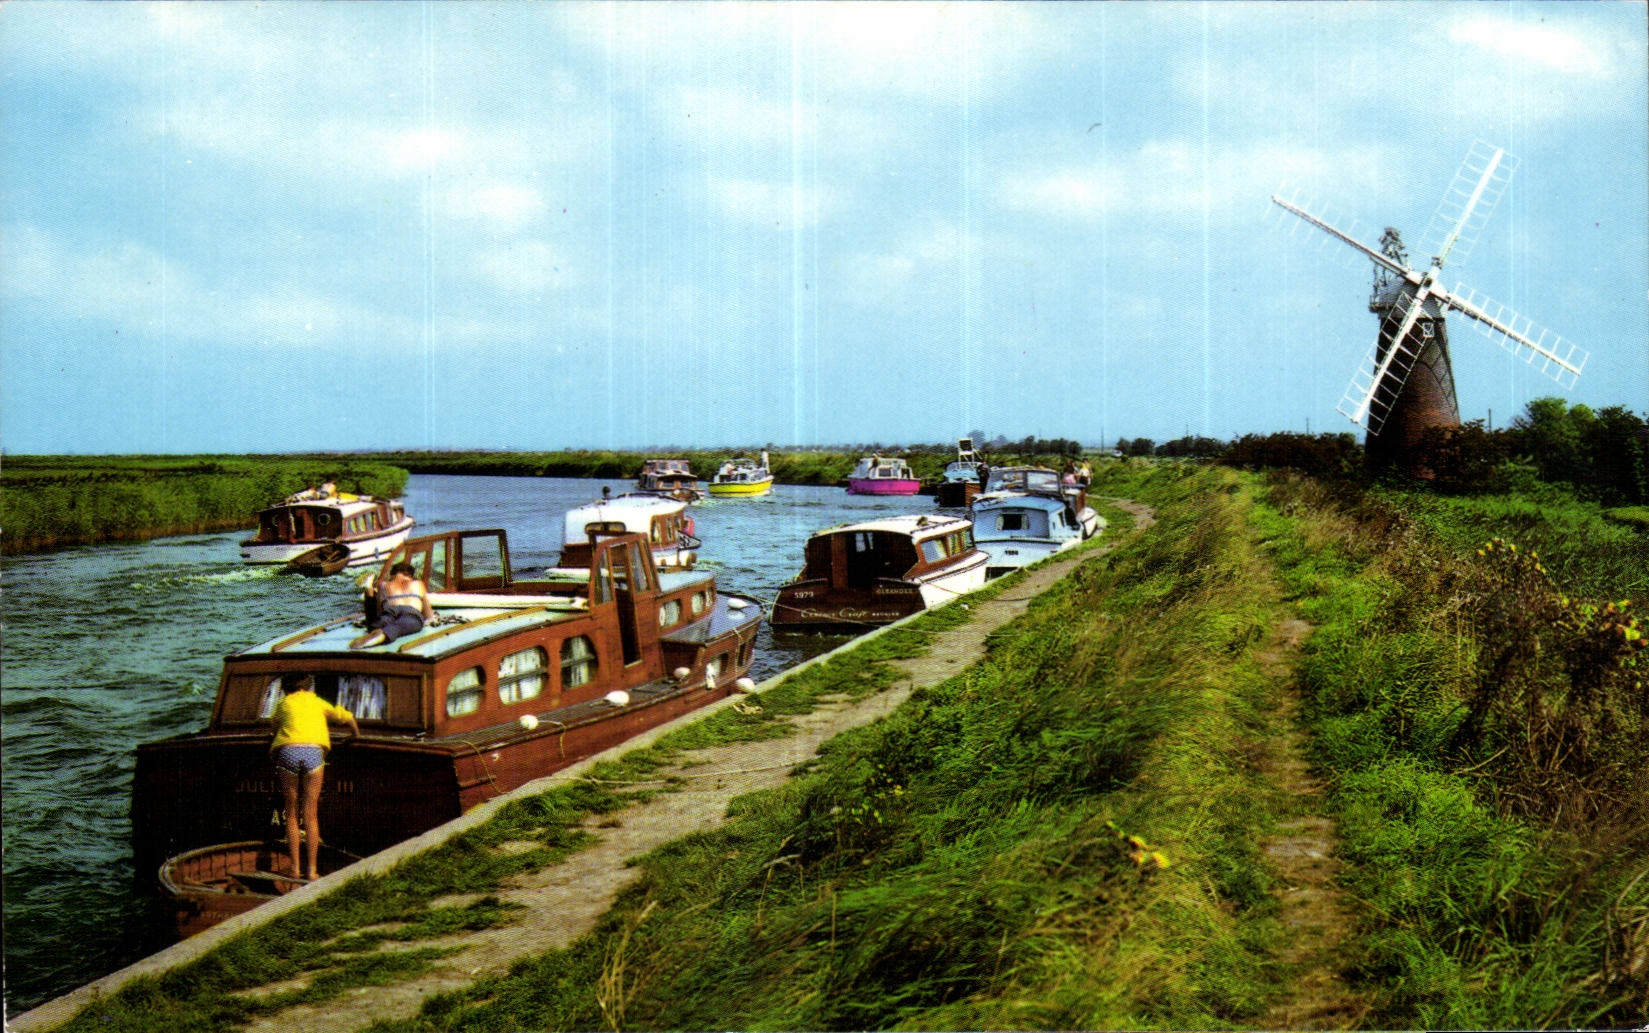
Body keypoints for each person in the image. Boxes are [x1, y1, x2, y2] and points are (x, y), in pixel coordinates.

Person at [268, 672, 359, 880]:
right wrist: (355, 736)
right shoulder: (317, 702)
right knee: (310, 814)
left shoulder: (282, 704)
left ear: (285, 689)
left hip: (288, 752)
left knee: (290, 813)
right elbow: (348, 718)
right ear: (308, 688)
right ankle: (312, 871)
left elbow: (273, 728)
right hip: (313, 753)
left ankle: (294, 869)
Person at [351, 562, 433, 648]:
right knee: (398, 626)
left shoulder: (384, 585)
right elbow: (428, 615)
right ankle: (382, 636)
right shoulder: (418, 584)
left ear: (391, 575)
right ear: (411, 576)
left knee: (375, 625)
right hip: (411, 612)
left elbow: (379, 611)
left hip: (391, 611)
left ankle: (369, 589)